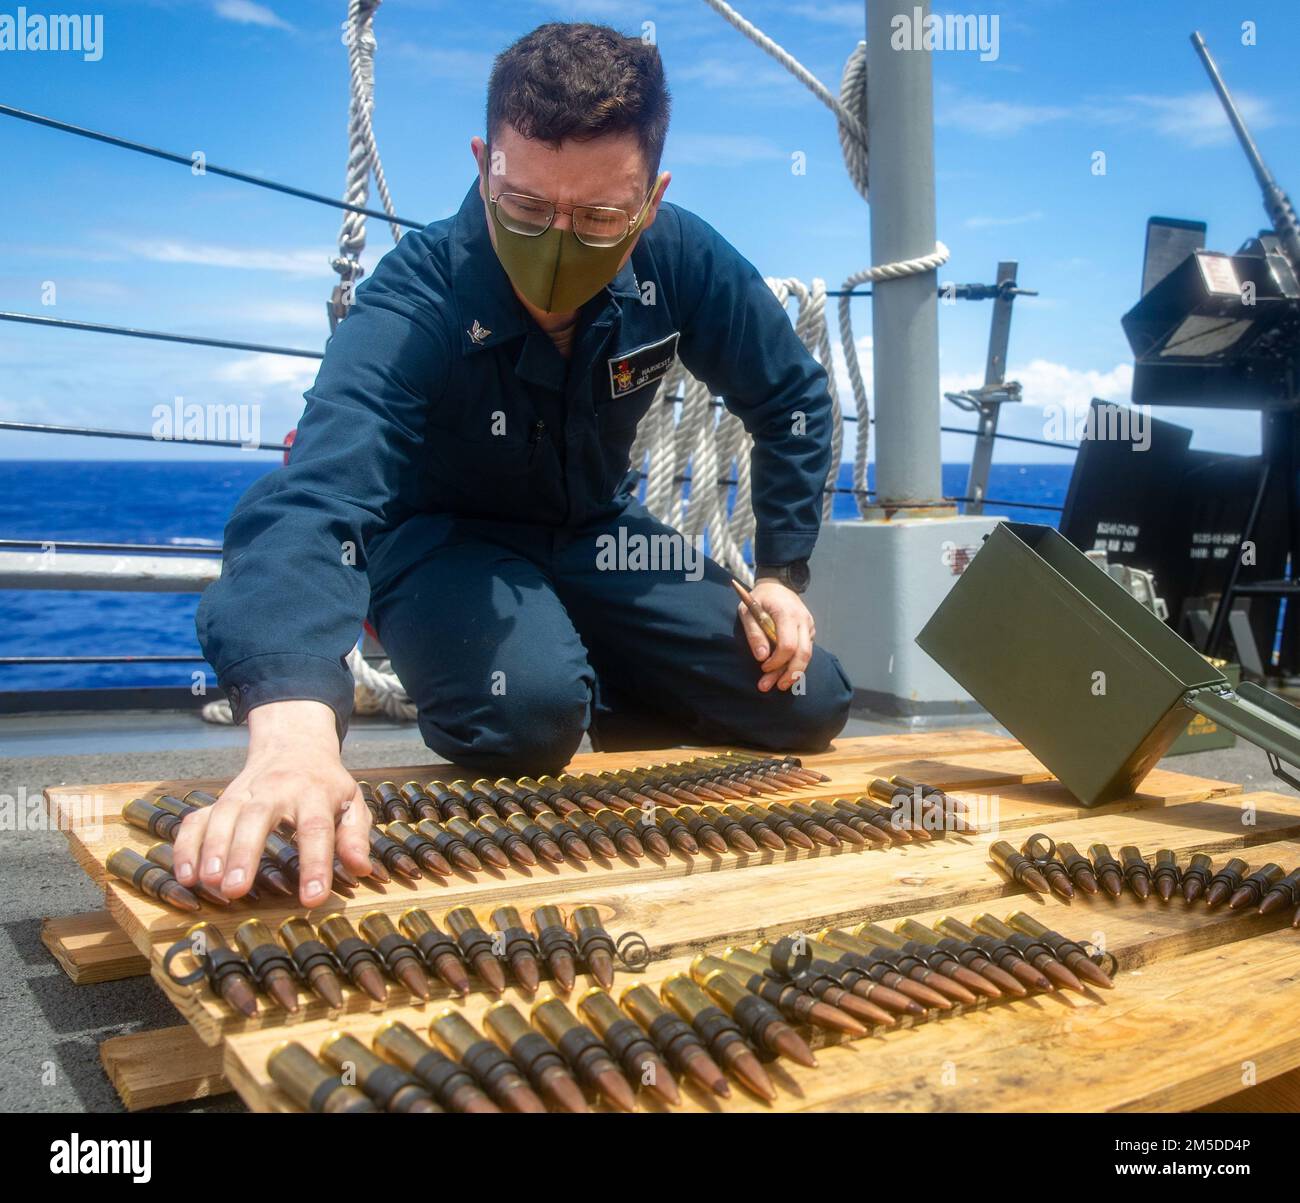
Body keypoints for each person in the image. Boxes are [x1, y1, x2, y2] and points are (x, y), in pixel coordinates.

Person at [174, 22, 852, 907]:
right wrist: (296, 731)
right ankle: (558, 673)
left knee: (811, 701)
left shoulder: (680, 257)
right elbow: (310, 497)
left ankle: (592, 670)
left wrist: (782, 571)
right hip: (442, 539)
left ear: (651, 198)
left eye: (601, 216)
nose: (558, 244)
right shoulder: (417, 297)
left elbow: (793, 396)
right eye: (528, 208)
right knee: (527, 715)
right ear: (484, 163)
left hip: (597, 535)